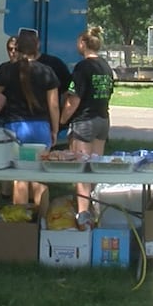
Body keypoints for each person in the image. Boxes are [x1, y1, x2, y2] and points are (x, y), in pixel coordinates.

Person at [0, 31, 59, 207]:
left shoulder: (7, 70)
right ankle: (41, 221)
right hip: (40, 127)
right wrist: (55, 129)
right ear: (37, 47)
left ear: (18, 48)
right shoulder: (47, 71)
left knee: (20, 177)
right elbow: (53, 105)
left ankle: (20, 223)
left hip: (15, 127)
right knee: (40, 176)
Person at [61, 27, 114, 219]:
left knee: (81, 170)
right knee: (94, 169)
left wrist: (62, 119)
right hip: (103, 120)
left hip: (84, 121)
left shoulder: (82, 67)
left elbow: (73, 99)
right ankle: (95, 210)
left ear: (83, 44)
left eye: (78, 42)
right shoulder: (106, 67)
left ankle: (83, 214)